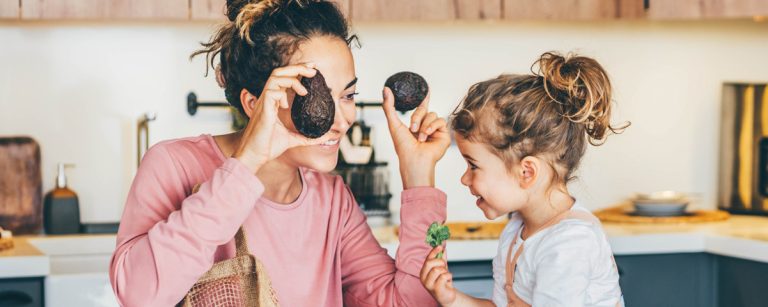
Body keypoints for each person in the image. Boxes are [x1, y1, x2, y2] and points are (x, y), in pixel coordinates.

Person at [109, 0, 451, 305]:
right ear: (254, 104)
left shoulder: (332, 201)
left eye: (347, 95)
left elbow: (414, 302)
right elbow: (139, 295)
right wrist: (246, 165)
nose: (342, 119)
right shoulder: (174, 165)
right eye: (313, 96)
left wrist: (419, 179)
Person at [419, 52, 627, 307]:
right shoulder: (517, 229)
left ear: (526, 172)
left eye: (473, 165)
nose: (465, 179)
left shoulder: (569, 244)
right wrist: (451, 299)